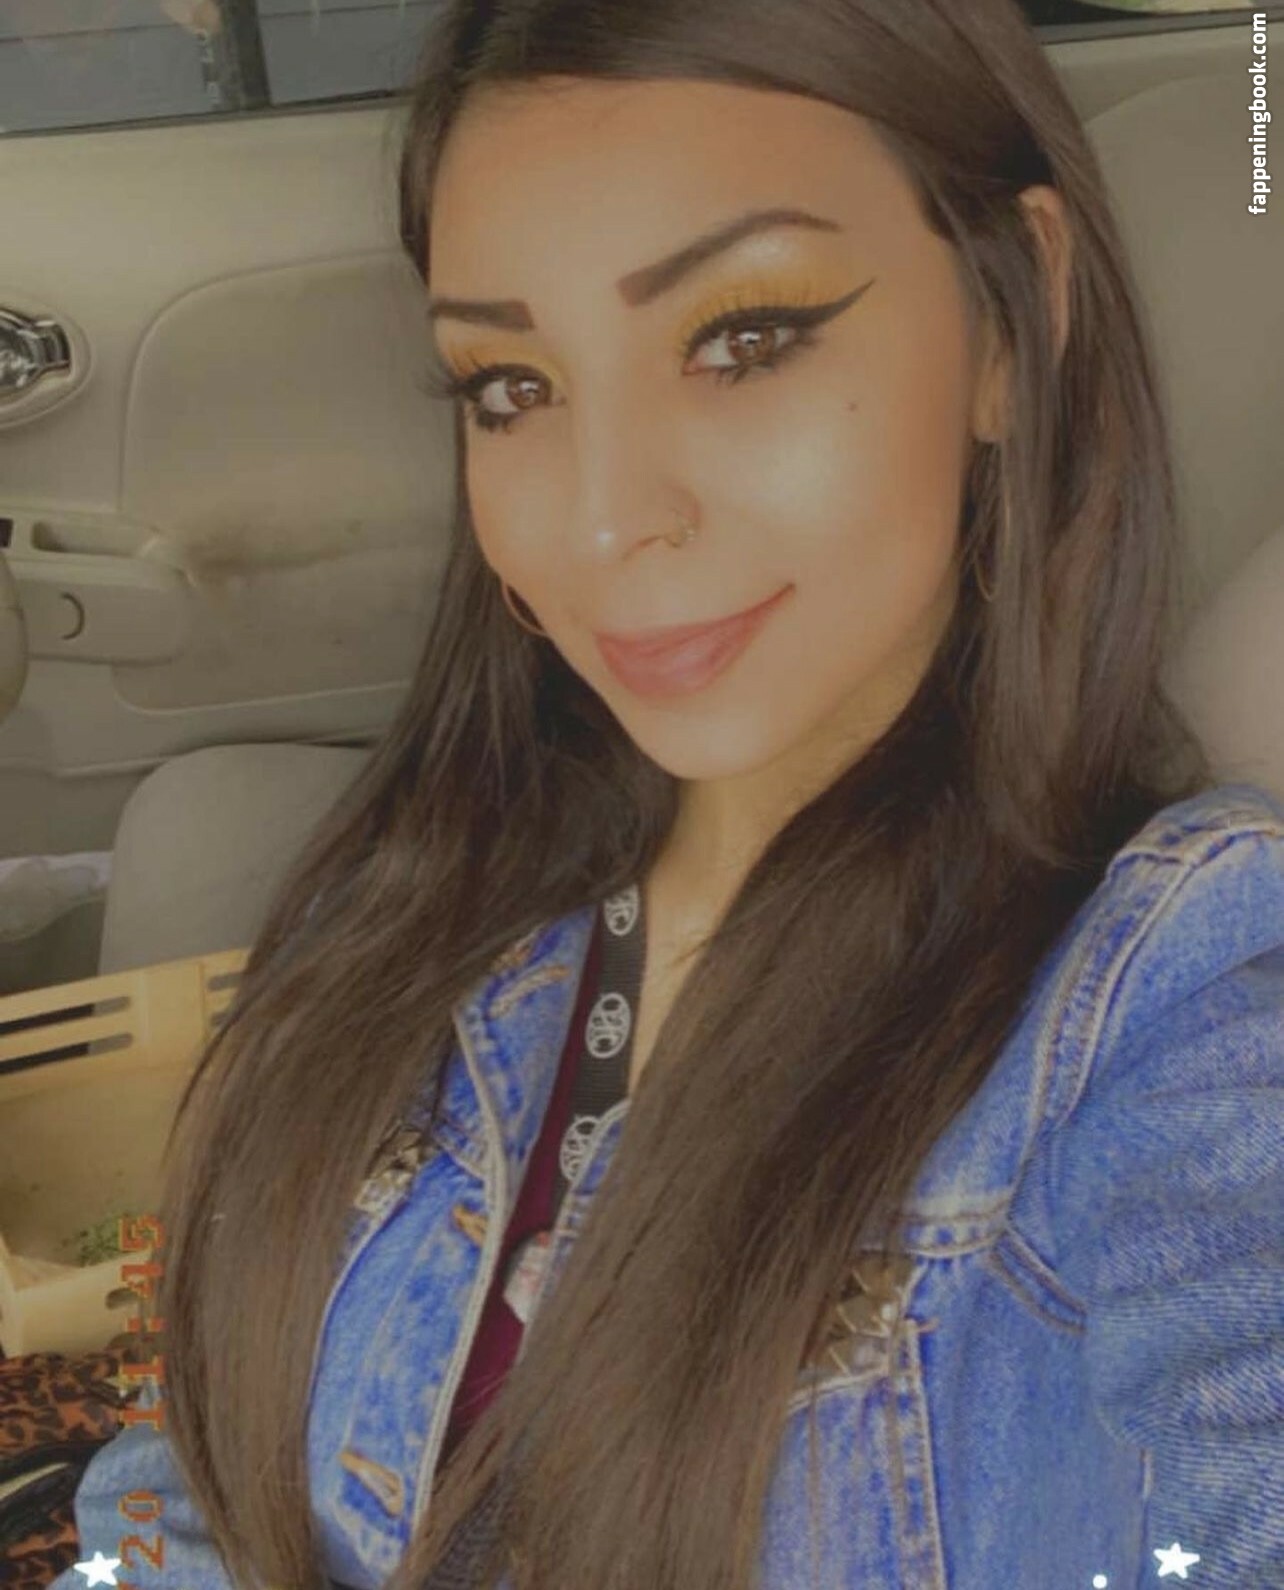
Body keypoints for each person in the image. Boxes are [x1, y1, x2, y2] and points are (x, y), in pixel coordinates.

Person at [47, 1, 1284, 1587]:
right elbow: (183, 1490)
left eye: (744, 337)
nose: (601, 517)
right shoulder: (404, 901)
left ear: (1011, 318)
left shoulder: (1174, 1010)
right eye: (510, 386)